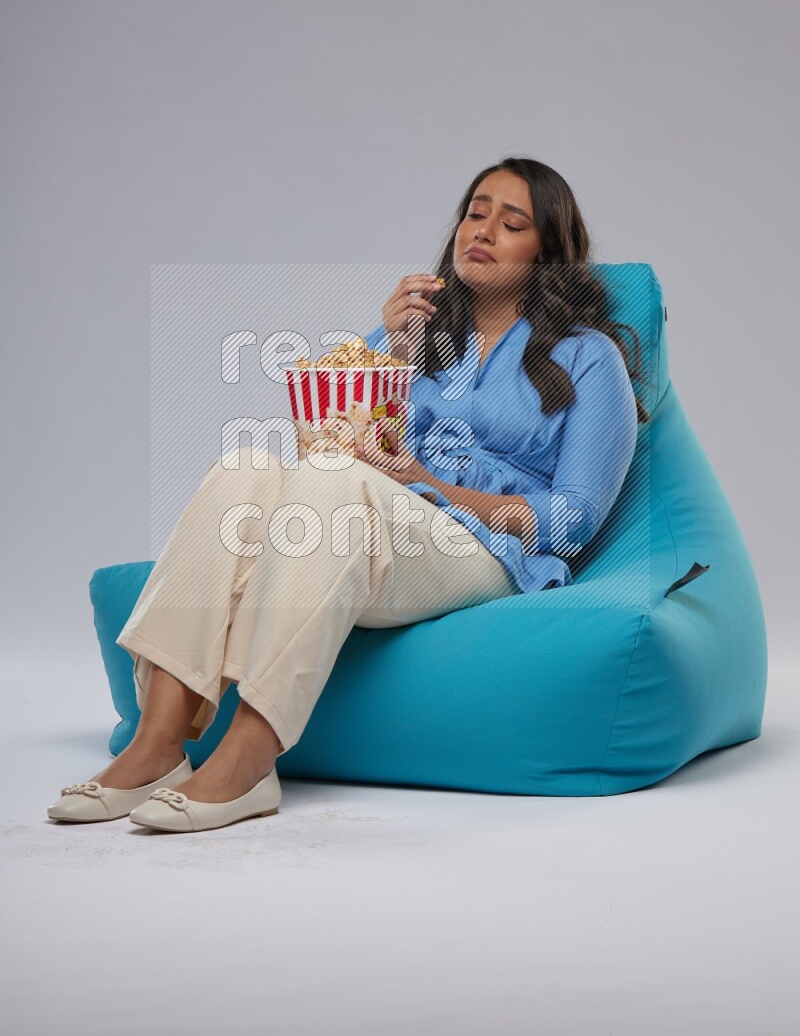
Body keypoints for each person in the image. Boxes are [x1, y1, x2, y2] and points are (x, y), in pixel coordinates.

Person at [47, 156, 648, 832]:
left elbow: (573, 519)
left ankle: (251, 753)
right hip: (364, 525)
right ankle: (156, 743)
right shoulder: (413, 339)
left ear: (548, 251)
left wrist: (428, 484)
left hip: (484, 551)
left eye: (512, 223)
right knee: (246, 467)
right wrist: (391, 350)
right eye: (475, 212)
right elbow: (323, 447)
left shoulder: (588, 357)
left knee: (335, 482)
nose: (482, 230)